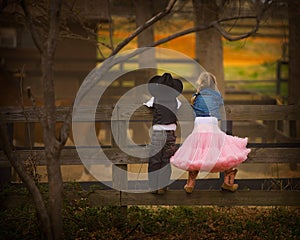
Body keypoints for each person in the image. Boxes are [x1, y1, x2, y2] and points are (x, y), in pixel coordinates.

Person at [170, 71, 251, 193]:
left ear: (200, 83)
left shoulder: (195, 96)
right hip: (211, 124)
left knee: (196, 152)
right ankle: (228, 182)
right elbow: (220, 108)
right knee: (224, 151)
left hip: (199, 125)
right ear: (214, 83)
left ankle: (190, 184)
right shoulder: (216, 95)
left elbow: (193, 111)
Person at [144, 72, 183, 194]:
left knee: (155, 159)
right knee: (166, 160)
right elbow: (180, 107)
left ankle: (153, 186)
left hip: (158, 133)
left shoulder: (154, 99)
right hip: (171, 133)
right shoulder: (176, 100)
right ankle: (162, 186)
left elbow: (147, 105)